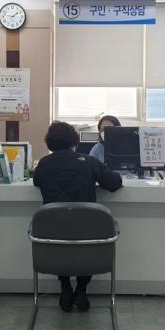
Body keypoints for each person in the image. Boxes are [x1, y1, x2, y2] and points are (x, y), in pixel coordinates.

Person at [34, 121, 123, 312]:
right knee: (86, 243)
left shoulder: (44, 164)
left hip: (53, 230)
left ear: (50, 142)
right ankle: (81, 290)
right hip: (87, 230)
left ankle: (65, 287)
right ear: (74, 141)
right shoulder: (89, 162)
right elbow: (114, 183)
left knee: (60, 244)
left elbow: (37, 181)